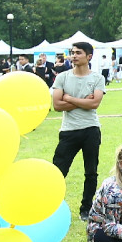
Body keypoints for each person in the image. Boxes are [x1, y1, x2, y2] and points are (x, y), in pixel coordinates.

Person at [51, 41, 106, 221]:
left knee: (91, 172)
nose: (74, 56)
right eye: (72, 52)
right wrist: (82, 100)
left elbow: (94, 104)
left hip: (91, 129)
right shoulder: (62, 77)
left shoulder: (97, 78)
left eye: (78, 53)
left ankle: (86, 208)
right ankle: (50, 205)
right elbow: (57, 105)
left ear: (89, 56)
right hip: (68, 131)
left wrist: (69, 98)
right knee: (58, 171)